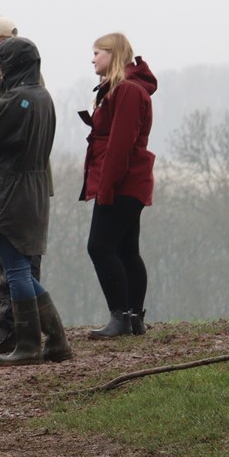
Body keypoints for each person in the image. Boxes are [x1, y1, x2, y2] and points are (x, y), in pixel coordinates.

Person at [0, 38, 71, 366]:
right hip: (34, 188)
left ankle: (28, 345)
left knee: (15, 270)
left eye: (0, 63)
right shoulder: (43, 97)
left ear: (12, 64)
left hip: (9, 190)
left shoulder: (14, 99)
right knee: (21, 269)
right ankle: (56, 341)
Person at [81, 32, 157, 338]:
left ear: (113, 55)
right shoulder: (123, 89)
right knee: (126, 250)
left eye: (97, 53)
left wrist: (106, 187)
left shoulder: (126, 91)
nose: (92, 59)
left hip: (121, 183)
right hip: (128, 181)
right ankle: (133, 318)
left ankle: (120, 317)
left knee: (99, 247)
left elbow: (120, 144)